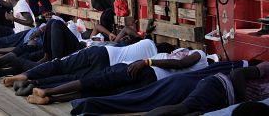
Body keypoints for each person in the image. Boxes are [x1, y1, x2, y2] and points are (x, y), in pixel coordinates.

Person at [21, 48, 207, 103]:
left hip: (146, 71)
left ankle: (48, 91)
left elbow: (181, 63)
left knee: (97, 81)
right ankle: (51, 98)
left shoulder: (201, 56)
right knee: (102, 90)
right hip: (152, 79)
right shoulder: (200, 74)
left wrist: (146, 62)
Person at [69, 61, 248, 115]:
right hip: (179, 85)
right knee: (134, 101)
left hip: (175, 83)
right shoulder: (201, 57)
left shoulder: (215, 66)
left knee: (132, 98)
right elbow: (181, 63)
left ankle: (85, 105)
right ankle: (86, 105)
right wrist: (147, 61)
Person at [0, 39, 174, 87]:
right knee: (70, 78)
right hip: (107, 68)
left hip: (102, 52)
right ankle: (33, 83)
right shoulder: (156, 60)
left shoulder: (147, 43)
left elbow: (126, 38)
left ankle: (23, 75)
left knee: (60, 64)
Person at [144, 62, 269, 116]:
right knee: (182, 108)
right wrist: (242, 102)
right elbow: (237, 74)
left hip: (227, 102)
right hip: (220, 86)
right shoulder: (266, 67)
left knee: (195, 114)